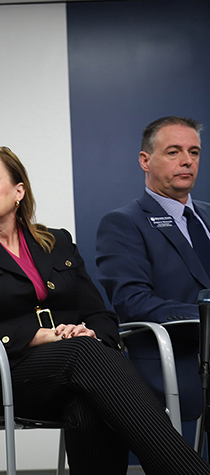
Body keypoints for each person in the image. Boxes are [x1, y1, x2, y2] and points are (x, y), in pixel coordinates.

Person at [0, 146, 210, 475]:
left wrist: (87, 330)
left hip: (77, 371)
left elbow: (102, 316)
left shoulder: (56, 242)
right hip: (0, 376)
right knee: (84, 355)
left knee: (91, 408)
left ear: (19, 191)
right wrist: (41, 336)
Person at [96, 116, 206, 421]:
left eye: (194, 152)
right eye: (174, 152)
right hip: (175, 361)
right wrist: (206, 319)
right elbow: (133, 302)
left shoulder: (208, 216)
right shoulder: (124, 223)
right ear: (146, 160)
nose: (187, 161)